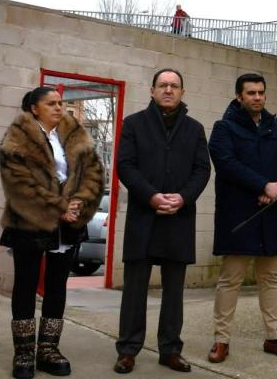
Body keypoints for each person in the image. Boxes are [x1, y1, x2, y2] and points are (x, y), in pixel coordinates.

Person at [0, 87, 104, 378]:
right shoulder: (17, 138)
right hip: (29, 221)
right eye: (51, 103)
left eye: (61, 103)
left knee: (58, 286)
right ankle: (23, 353)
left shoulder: (75, 135)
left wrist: (79, 203)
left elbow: (94, 171)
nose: (59, 107)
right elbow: (19, 183)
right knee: (26, 284)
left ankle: (48, 349)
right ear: (35, 108)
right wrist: (59, 205)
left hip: (68, 224)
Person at [113, 69, 211, 374]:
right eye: (163, 85)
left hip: (178, 219)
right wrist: (152, 196)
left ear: (182, 92)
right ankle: (128, 349)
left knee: (174, 291)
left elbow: (202, 170)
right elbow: (125, 166)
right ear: (152, 90)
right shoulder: (134, 124)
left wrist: (183, 198)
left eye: (174, 86)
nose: (168, 90)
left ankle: (170, 349)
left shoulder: (195, 129)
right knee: (134, 290)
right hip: (145, 216)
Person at [207, 73, 277, 362]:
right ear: (239, 97)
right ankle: (221, 340)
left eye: (261, 92)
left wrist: (275, 190)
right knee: (230, 279)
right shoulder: (224, 128)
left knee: (270, 278)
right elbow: (227, 164)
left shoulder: (276, 128)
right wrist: (263, 185)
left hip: (271, 215)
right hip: (239, 216)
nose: (257, 98)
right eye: (251, 93)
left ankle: (274, 337)